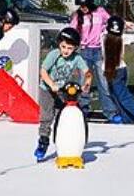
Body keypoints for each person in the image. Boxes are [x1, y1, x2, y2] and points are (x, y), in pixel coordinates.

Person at [35, 27, 92, 161]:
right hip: (47, 89)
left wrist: (87, 82)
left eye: (70, 48)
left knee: (62, 115)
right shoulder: (54, 54)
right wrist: (51, 84)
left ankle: (63, 140)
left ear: (75, 48)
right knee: (47, 116)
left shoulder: (77, 58)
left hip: (61, 91)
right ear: (59, 44)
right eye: (63, 47)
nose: (66, 50)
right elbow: (43, 71)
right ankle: (43, 141)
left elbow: (87, 72)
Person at [71, 0, 119, 122]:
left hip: (98, 51)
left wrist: (124, 23)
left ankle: (110, 112)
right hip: (84, 51)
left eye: (85, 5)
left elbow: (112, 22)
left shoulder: (100, 12)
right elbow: (72, 31)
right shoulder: (78, 17)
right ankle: (83, 110)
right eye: (81, 6)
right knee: (84, 82)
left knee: (103, 82)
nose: (83, 8)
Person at [102, 16, 134, 125]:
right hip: (119, 70)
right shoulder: (122, 37)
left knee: (122, 97)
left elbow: (104, 25)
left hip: (113, 71)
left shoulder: (103, 37)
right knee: (118, 96)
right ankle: (128, 119)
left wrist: (123, 23)